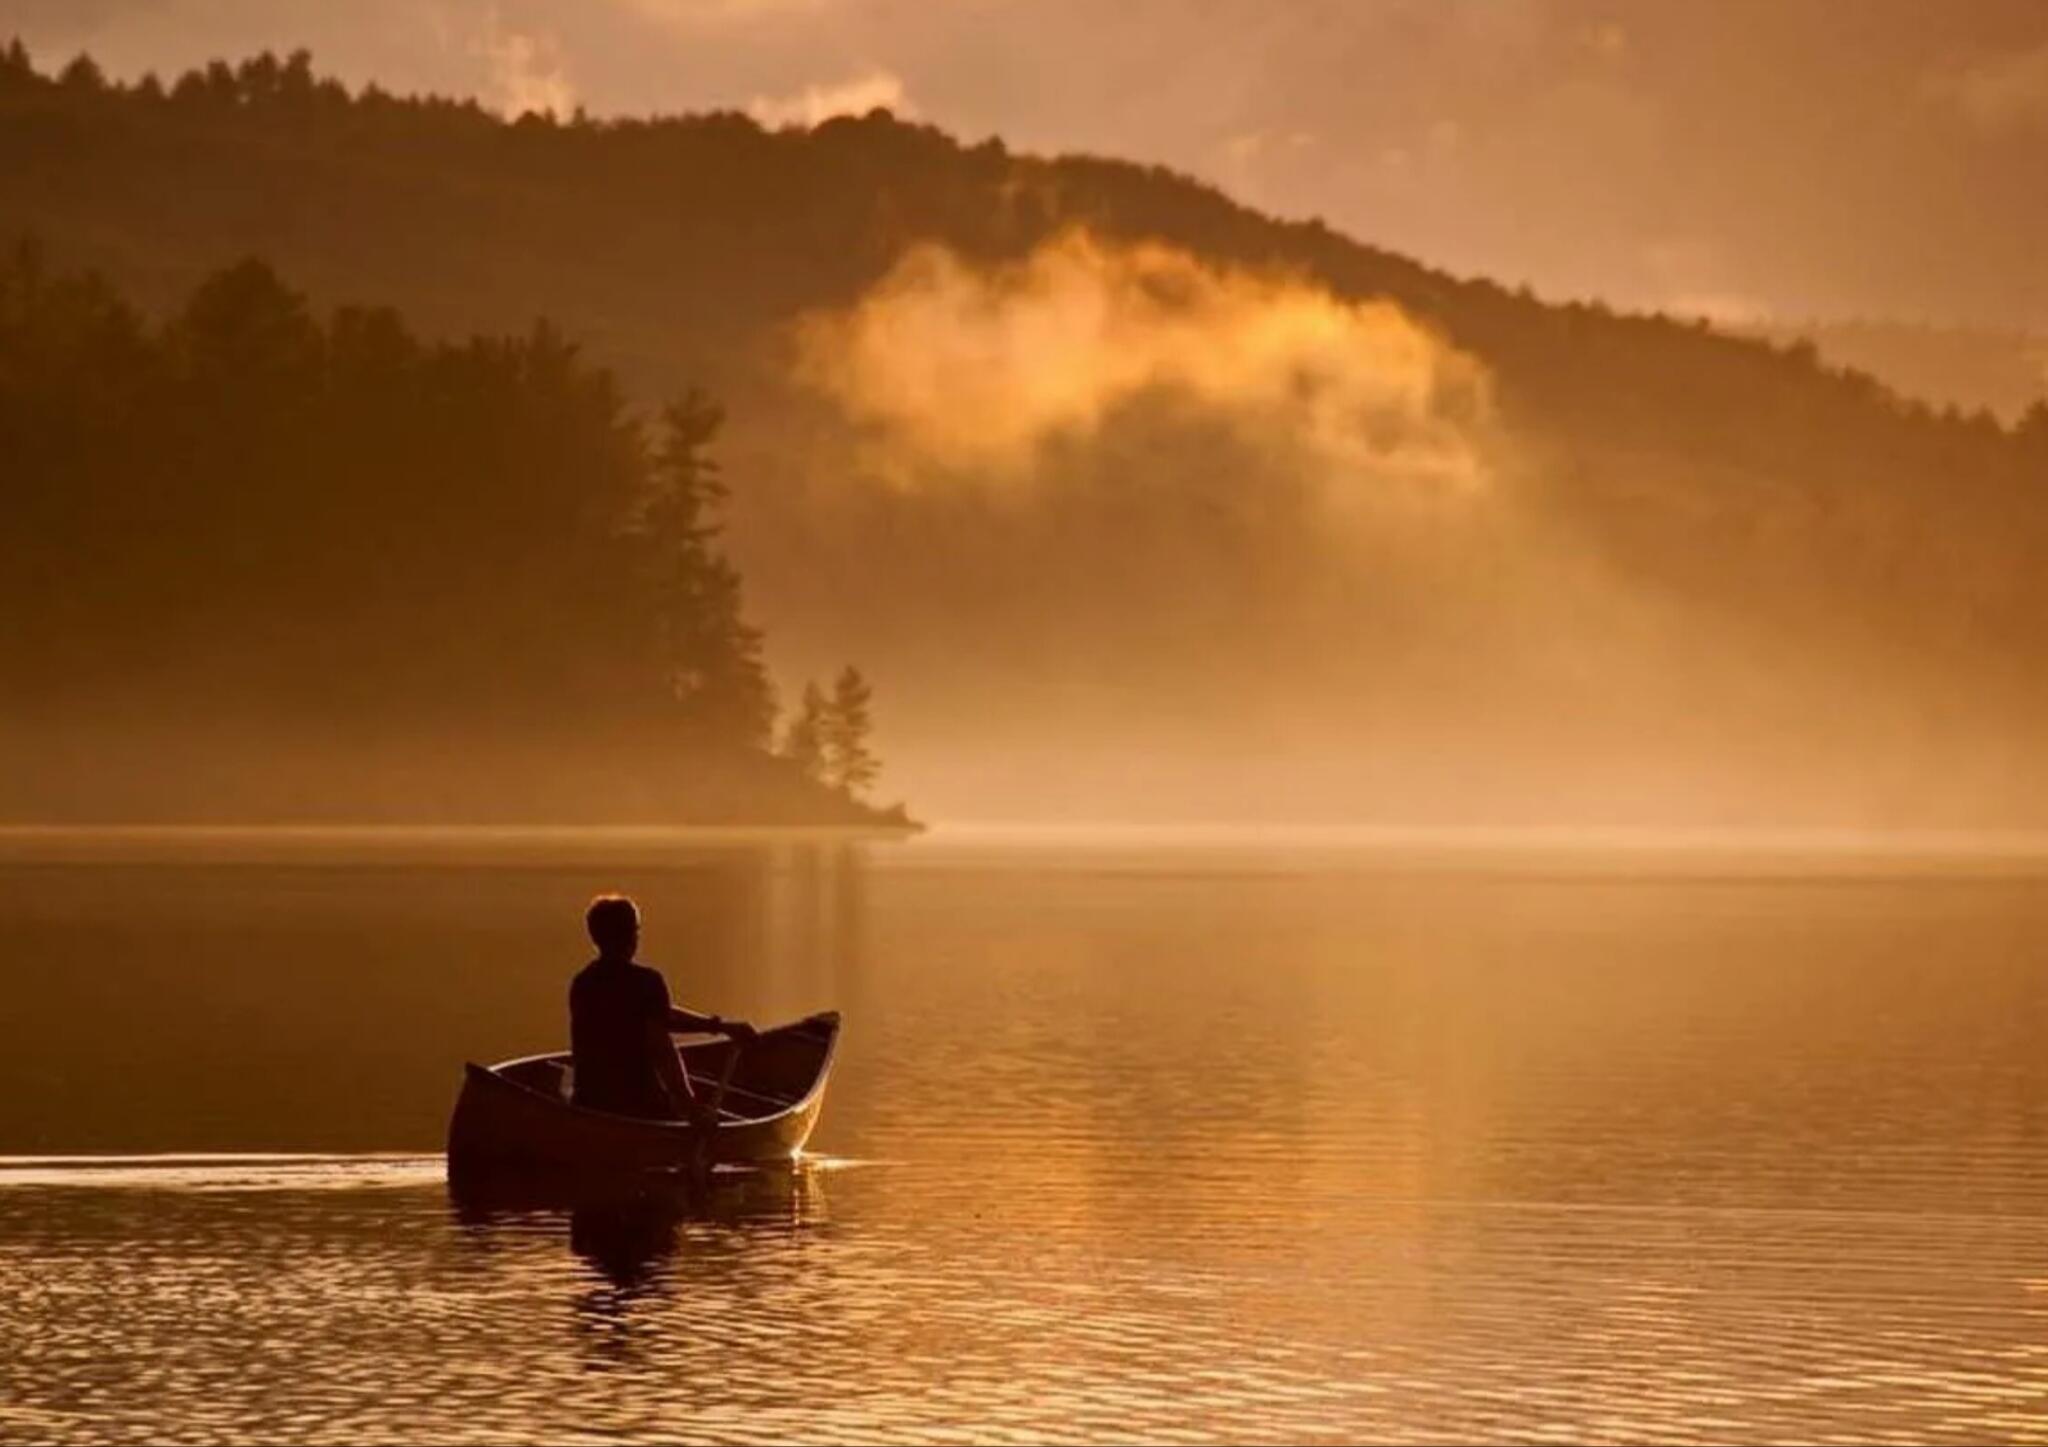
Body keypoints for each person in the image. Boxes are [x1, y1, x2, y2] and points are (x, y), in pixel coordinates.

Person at [569, 894, 757, 1123]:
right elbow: (662, 1047)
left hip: (587, 1102)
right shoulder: (646, 982)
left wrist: (720, 1026)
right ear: (631, 935)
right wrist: (690, 1107)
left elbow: (662, 1015)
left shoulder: (583, 983)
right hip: (638, 1107)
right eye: (636, 930)